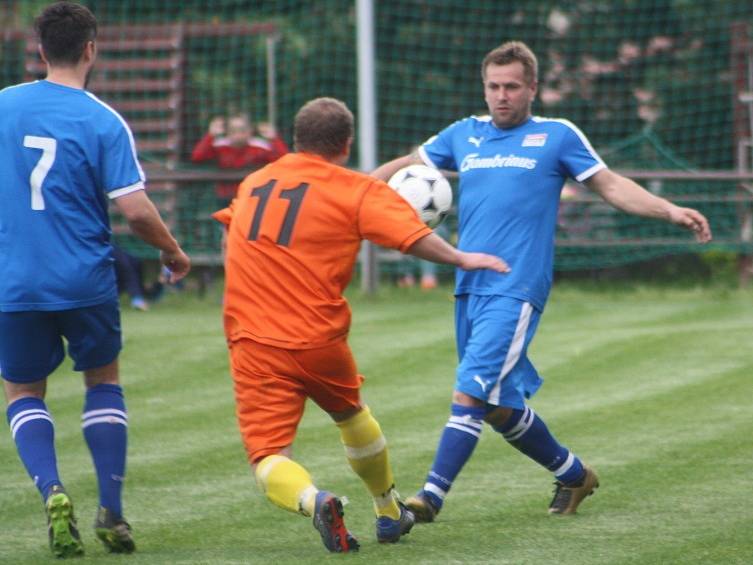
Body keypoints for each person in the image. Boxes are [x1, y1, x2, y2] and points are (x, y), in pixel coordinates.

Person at [371, 40, 711, 522]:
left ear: (532, 88)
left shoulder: (556, 135)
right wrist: (353, 193)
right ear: (484, 88)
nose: (502, 95)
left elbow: (610, 185)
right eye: (494, 86)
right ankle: (574, 475)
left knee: (470, 391)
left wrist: (670, 210)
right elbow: (409, 165)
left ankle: (429, 497)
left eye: (512, 86)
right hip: (469, 286)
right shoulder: (464, 135)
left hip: (516, 285)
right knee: (497, 406)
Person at [212, 97, 508, 553]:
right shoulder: (355, 192)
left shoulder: (255, 182)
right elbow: (412, 236)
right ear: (346, 144)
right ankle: (388, 511)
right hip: (318, 337)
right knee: (351, 414)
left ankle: (316, 501)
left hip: (252, 339)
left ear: (296, 138)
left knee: (268, 455)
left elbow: (237, 227)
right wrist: (460, 257)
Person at [0, 2, 190, 558]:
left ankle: (52, 490)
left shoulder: (3, 107)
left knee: (23, 392)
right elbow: (134, 211)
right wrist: (174, 251)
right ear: (90, 49)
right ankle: (112, 508)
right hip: (85, 281)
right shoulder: (103, 120)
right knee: (102, 382)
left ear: (39, 50)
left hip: (15, 284)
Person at [191, 112, 289, 208]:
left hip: (253, 197)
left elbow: (285, 161)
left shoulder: (260, 146)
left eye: (242, 130)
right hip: (226, 199)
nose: (238, 134)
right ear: (227, 132)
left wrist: (274, 139)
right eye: (233, 130)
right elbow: (197, 156)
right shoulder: (220, 146)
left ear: (250, 130)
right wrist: (211, 135)